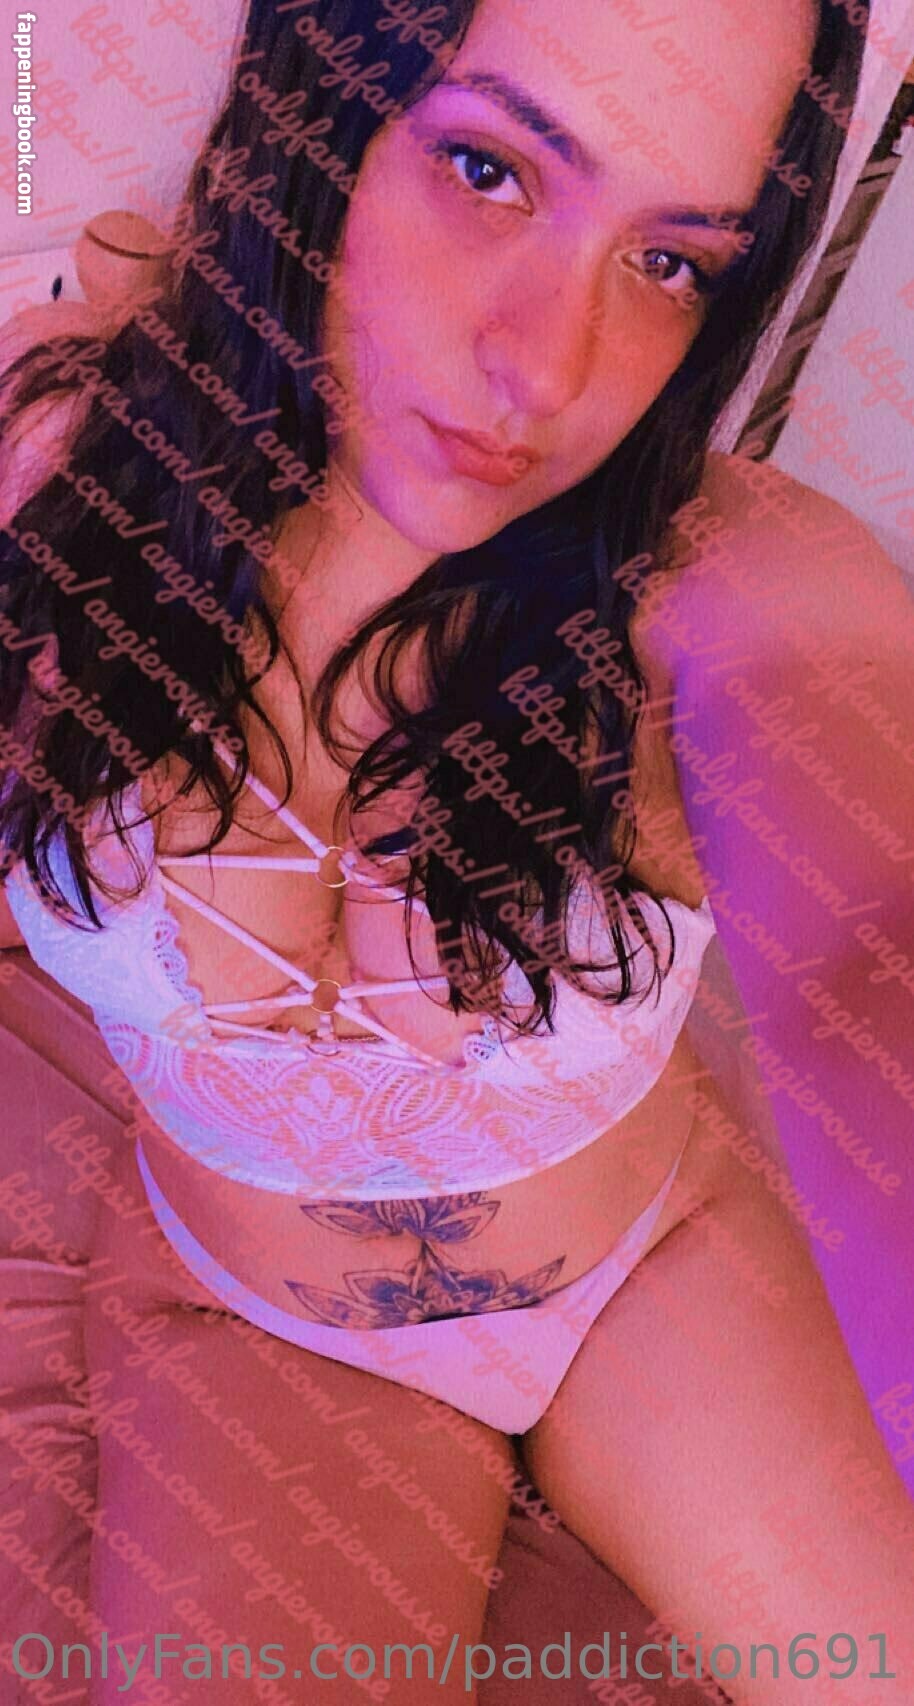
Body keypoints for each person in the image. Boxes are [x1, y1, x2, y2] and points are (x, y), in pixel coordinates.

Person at [0, 0, 912, 1701]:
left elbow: (872, 934)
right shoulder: (63, 475)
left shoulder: (714, 587)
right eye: (488, 169)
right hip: (259, 1318)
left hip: (649, 1271)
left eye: (669, 262)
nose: (545, 373)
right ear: (318, 104)